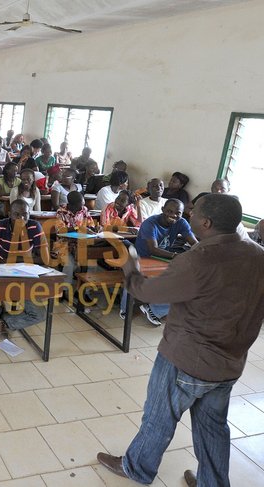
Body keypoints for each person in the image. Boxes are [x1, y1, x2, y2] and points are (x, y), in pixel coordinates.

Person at [97, 194, 264, 487]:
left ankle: (137, 467)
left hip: (187, 359)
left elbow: (148, 294)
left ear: (206, 223)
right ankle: (212, 482)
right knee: (213, 428)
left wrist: (132, 270)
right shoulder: (259, 256)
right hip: (229, 361)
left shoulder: (199, 260)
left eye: (193, 212)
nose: (188, 215)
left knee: (159, 418)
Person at [119, 199, 198, 326]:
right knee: (134, 273)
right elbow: (153, 249)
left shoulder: (181, 222)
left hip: (162, 259)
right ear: (162, 210)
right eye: (169, 211)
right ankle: (125, 309)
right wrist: (176, 256)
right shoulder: (150, 223)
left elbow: (195, 243)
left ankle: (154, 309)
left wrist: (200, 252)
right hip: (142, 258)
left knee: (189, 281)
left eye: (178, 213)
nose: (174, 215)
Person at [0, 199, 50, 337]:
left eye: (25, 214)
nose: (21, 218)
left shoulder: (34, 227)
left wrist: (11, 260)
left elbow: (45, 259)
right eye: (16, 214)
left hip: (24, 277)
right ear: (9, 214)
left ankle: (5, 321)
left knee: (39, 314)